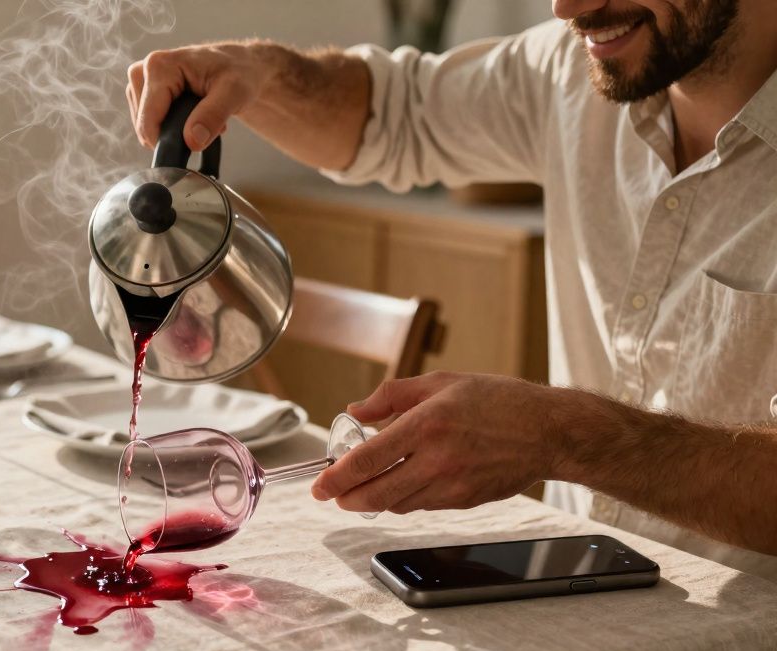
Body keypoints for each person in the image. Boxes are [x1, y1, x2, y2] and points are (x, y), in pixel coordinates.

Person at [125, 0, 777, 581]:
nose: (566, 8)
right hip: (582, 596)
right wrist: (257, 73)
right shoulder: (572, 69)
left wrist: (561, 435)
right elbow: (389, 113)